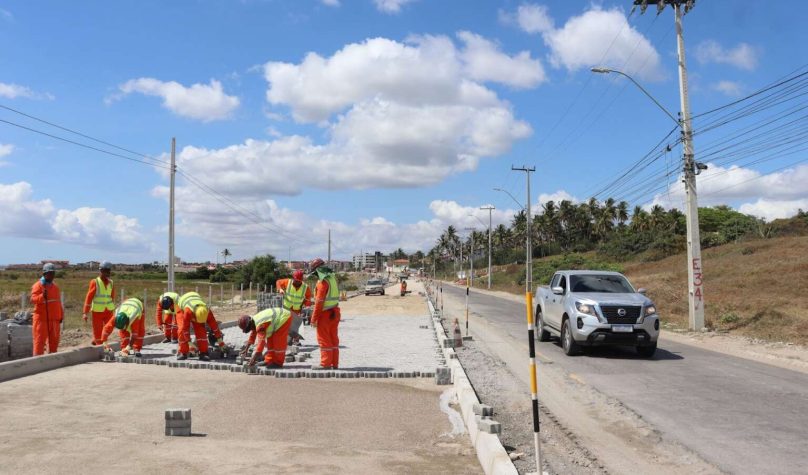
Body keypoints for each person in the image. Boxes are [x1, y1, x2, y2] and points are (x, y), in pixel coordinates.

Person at [308, 258, 341, 369]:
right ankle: (334, 363)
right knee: (333, 338)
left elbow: (319, 302)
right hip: (335, 312)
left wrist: (313, 319)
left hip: (325, 314)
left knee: (324, 339)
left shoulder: (323, 281)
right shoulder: (332, 277)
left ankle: (325, 364)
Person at [176, 291, 224, 361]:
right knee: (181, 331)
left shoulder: (207, 311)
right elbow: (185, 328)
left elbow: (214, 326)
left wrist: (219, 340)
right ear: (195, 315)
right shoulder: (188, 311)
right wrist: (189, 342)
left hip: (196, 304)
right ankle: (183, 352)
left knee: (201, 331)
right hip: (182, 307)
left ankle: (203, 353)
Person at [30, 263, 63, 356]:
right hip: (41, 320)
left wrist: (61, 315)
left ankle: (52, 359)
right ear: (44, 273)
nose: (52, 275)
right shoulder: (38, 285)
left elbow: (58, 302)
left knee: (54, 341)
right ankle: (37, 362)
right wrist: (41, 296)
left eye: (53, 273)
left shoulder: (55, 287)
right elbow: (33, 299)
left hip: (54, 319)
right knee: (39, 341)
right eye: (49, 273)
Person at [82, 261, 116, 345]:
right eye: (106, 270)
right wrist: (85, 312)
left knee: (110, 328)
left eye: (109, 270)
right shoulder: (95, 282)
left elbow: (112, 297)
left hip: (109, 311)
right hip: (97, 311)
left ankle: (98, 341)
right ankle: (99, 345)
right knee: (97, 331)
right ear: (101, 271)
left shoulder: (111, 282)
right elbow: (89, 298)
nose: (108, 272)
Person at [275, 269, 312, 345]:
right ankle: (286, 341)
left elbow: (308, 298)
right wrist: (280, 289)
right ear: (293, 278)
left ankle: (295, 340)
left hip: (296, 309)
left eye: (299, 281)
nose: (297, 282)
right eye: (295, 280)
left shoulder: (305, 287)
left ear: (301, 280)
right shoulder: (288, 282)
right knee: (285, 324)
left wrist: (307, 304)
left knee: (295, 325)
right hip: (286, 307)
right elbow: (278, 282)